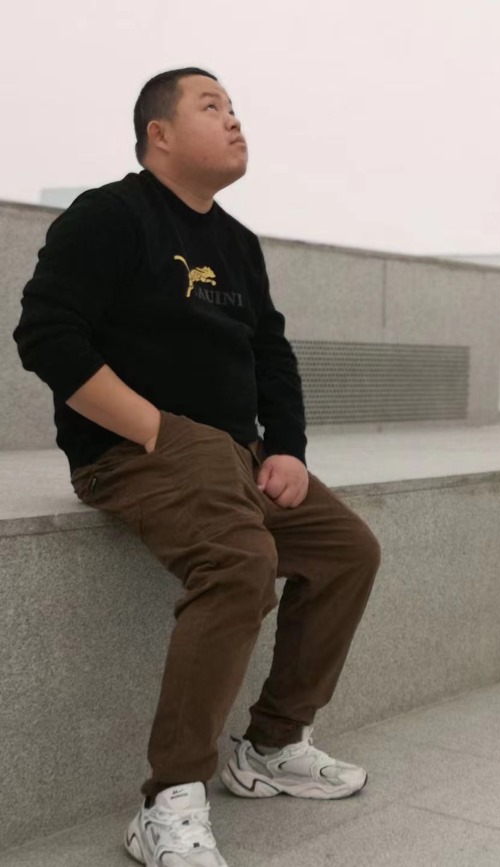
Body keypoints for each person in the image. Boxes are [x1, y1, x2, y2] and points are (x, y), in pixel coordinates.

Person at [13, 67, 382, 867]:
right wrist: (156, 431)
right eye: (212, 106)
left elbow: (271, 353)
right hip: (132, 452)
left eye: (236, 107)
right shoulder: (110, 216)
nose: (234, 119)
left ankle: (271, 746)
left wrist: (286, 447)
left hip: (236, 456)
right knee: (240, 563)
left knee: (347, 550)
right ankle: (169, 798)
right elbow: (45, 334)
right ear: (160, 134)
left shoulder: (236, 243)